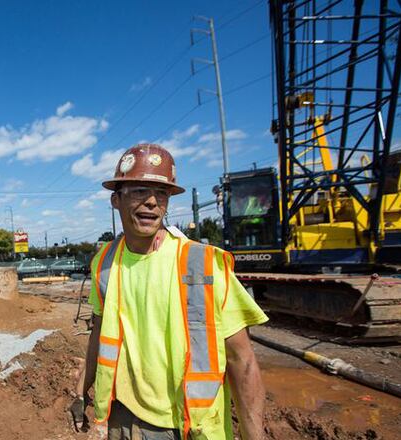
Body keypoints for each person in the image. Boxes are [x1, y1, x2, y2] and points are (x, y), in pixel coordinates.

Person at [69, 144, 268, 440]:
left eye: (161, 194)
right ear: (115, 200)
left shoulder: (203, 265)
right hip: (122, 421)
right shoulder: (105, 263)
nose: (151, 202)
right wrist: (81, 392)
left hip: (190, 426)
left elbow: (243, 360)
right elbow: (98, 335)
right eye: (139, 191)